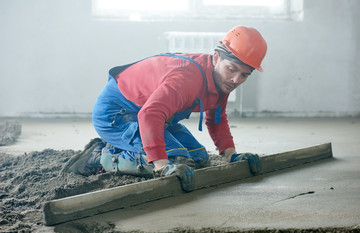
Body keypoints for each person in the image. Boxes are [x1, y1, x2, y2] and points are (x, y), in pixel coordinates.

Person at [62, 25, 267, 192]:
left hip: (153, 115)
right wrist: (161, 165)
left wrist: (232, 155)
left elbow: (216, 119)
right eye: (232, 69)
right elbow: (150, 114)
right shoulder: (187, 78)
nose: (235, 80)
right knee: (176, 160)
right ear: (216, 58)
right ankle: (99, 156)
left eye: (244, 75)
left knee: (199, 159)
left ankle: (132, 147)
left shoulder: (222, 81)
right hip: (117, 114)